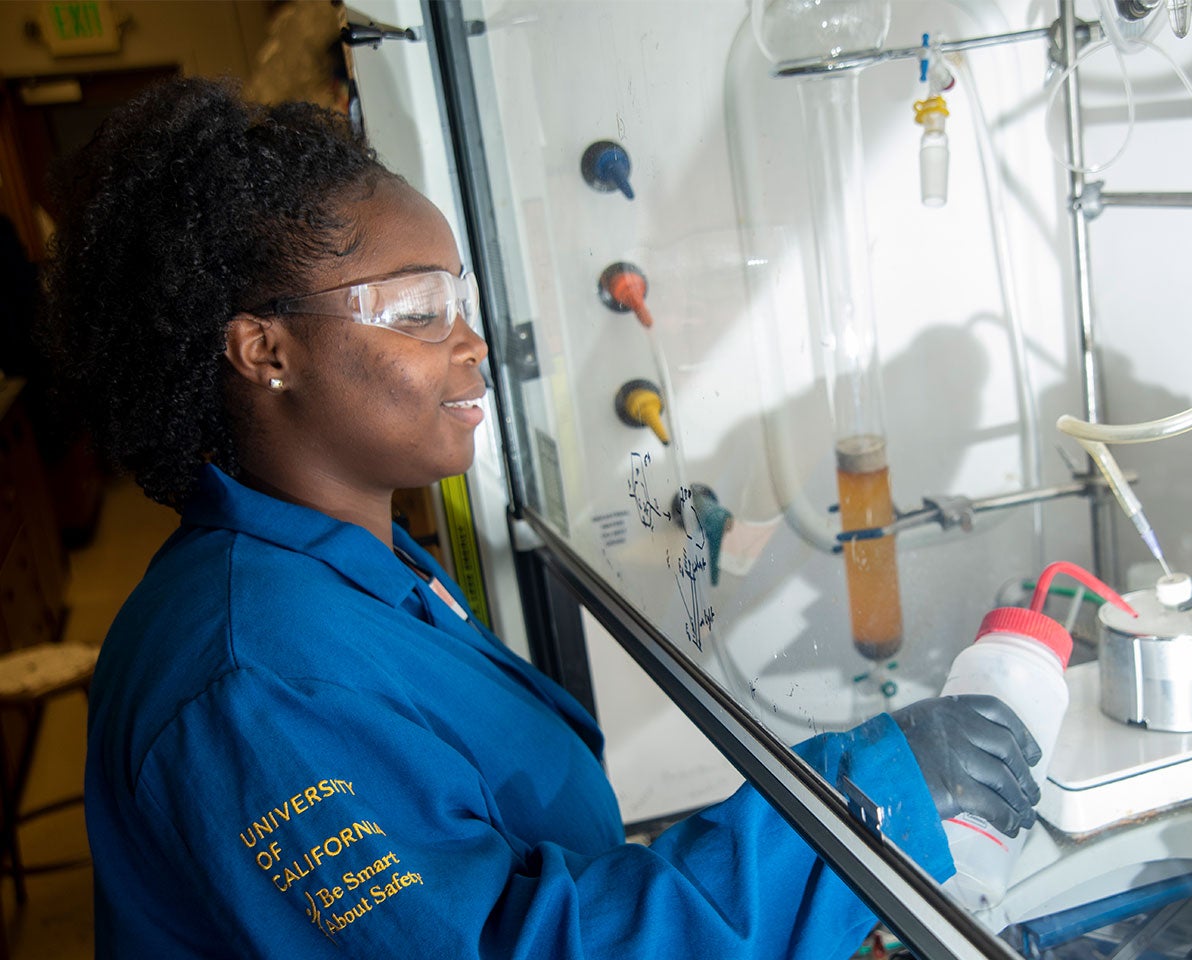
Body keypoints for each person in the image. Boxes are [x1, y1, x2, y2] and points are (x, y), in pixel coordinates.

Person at [41, 77, 1041, 958]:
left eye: (461, 300)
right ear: (265, 350)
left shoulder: (358, 574)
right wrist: (859, 803)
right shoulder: (252, 680)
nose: (473, 344)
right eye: (418, 309)